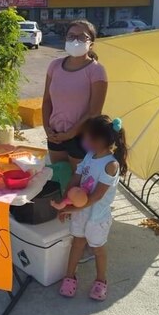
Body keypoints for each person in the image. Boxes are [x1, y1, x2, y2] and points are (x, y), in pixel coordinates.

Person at [57, 115, 128, 302]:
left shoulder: (111, 165)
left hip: (97, 217)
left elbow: (97, 196)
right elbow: (76, 178)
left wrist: (72, 209)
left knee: (98, 249)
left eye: (88, 137)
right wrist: (65, 201)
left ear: (100, 140)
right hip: (81, 212)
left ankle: (101, 280)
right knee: (77, 243)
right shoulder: (89, 156)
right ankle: (69, 276)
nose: (85, 140)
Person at [42, 20, 108, 169]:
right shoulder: (54, 66)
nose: (75, 40)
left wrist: (71, 133)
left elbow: (94, 111)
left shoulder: (96, 71)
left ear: (91, 44)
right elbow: (47, 101)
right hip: (55, 136)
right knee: (60, 177)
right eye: (71, 36)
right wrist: (47, 128)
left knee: (78, 182)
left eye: (82, 37)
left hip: (82, 137)